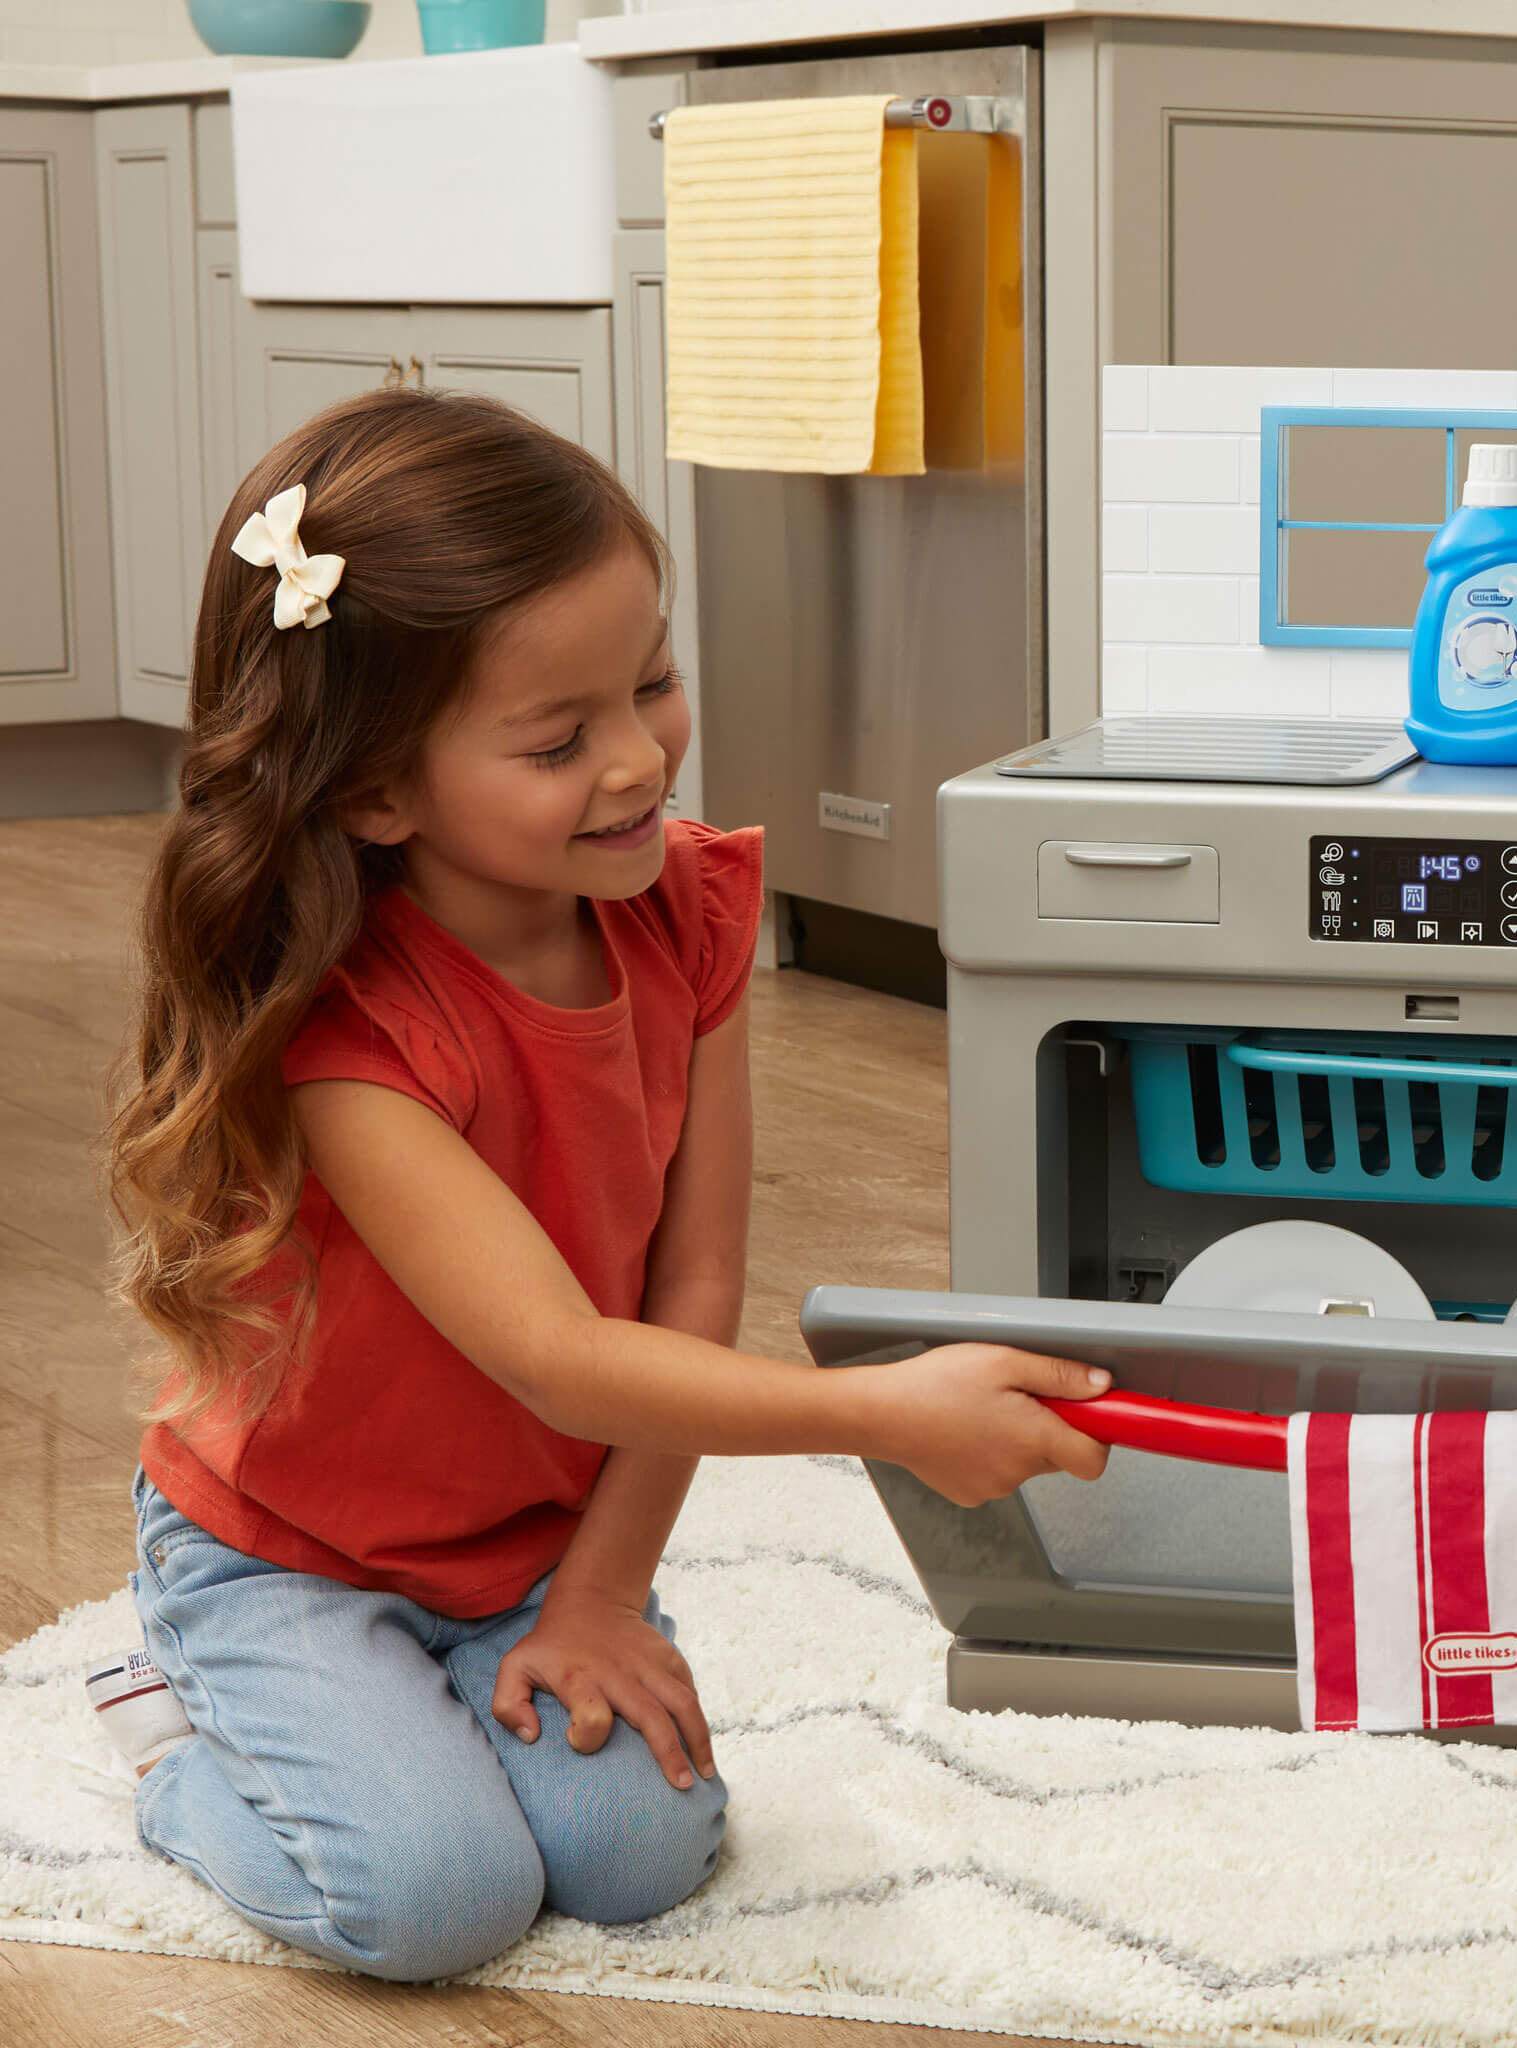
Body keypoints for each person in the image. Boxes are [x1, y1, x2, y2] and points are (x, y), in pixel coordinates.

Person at [92, 387, 1111, 1983]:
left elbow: (688, 1289)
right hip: (289, 1548)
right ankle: (176, 1751)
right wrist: (888, 1412)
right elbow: (559, 1353)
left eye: (652, 683)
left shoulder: (686, 916)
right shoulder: (353, 1039)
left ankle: (425, 1708)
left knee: (639, 1859)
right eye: (561, 740)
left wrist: (603, 1593)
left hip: (524, 1538)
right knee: (434, 1906)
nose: (640, 760)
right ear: (375, 792)